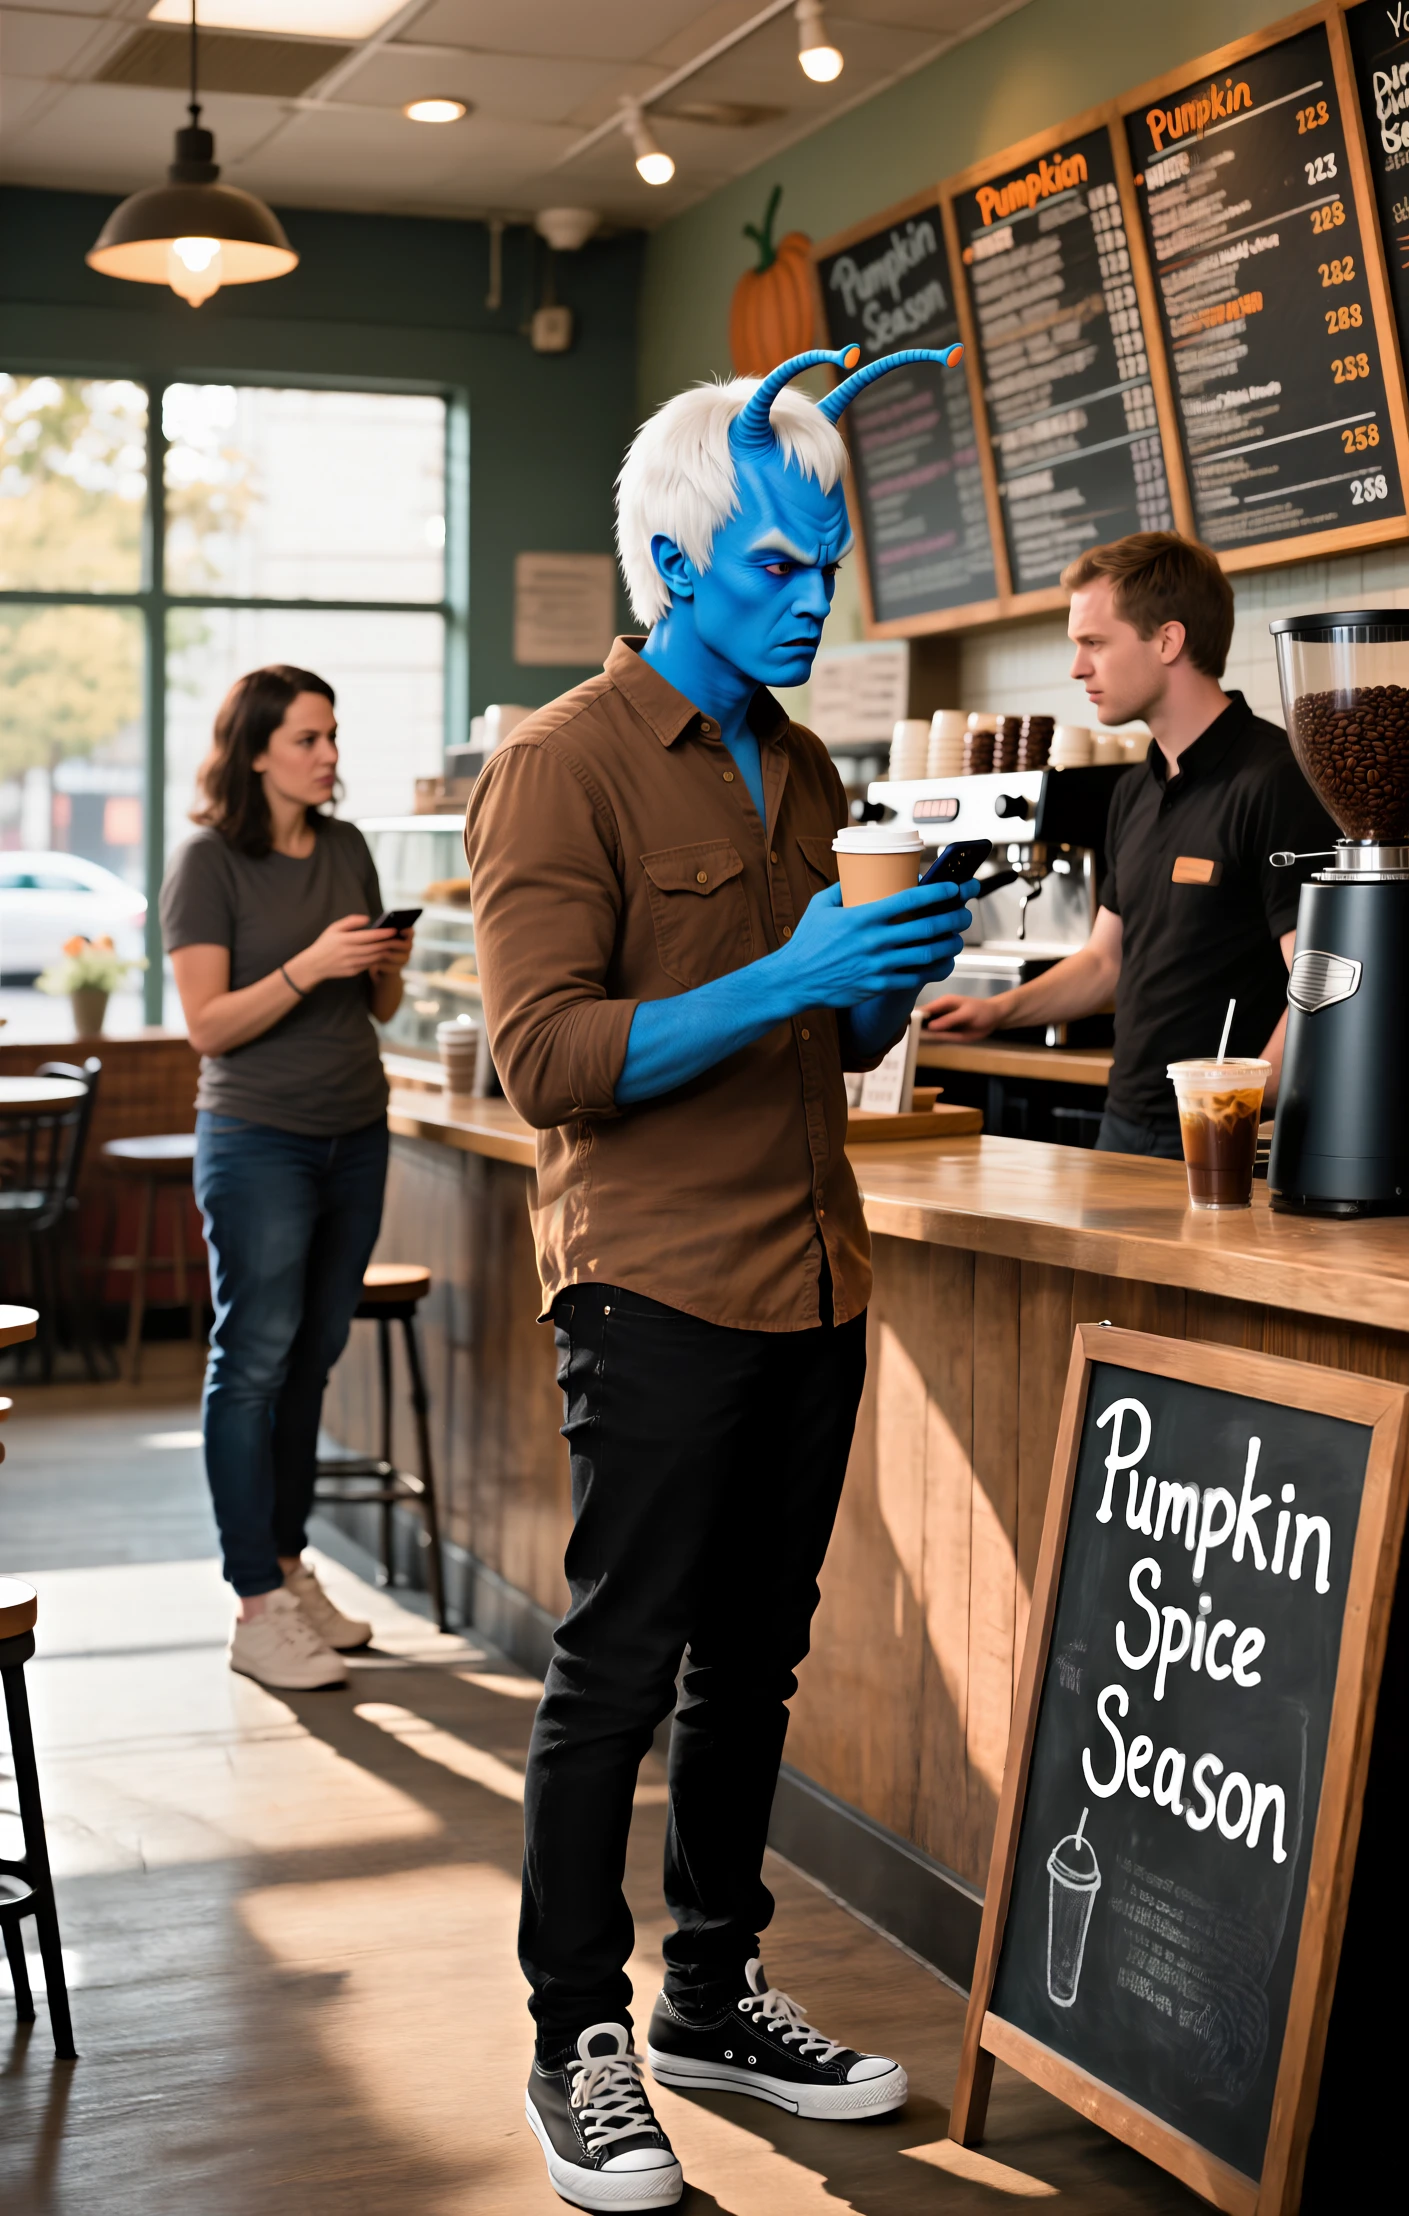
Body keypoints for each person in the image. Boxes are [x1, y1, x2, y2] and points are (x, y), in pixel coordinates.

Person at [467, 347, 977, 2213]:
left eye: (825, 561)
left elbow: (823, 1047)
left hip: (816, 1275)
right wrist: (789, 972)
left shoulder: (809, 762)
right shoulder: (560, 765)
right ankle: (573, 2038)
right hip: (656, 1286)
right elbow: (551, 1062)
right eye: (774, 563)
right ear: (670, 569)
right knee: (619, 1670)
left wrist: (883, 976)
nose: (810, 595)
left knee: (755, 1666)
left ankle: (709, 1992)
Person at [160, 666, 413, 1691]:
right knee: (253, 1358)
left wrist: (383, 957)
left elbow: (382, 1009)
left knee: (311, 1358)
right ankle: (253, 1602)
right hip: (257, 1136)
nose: (329, 755)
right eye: (309, 738)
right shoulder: (207, 861)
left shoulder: (347, 846)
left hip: (356, 1131)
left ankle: (289, 1561)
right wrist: (311, 964)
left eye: (333, 736)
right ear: (255, 750)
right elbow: (207, 1025)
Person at [923, 533, 1338, 1156]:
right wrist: (997, 1013)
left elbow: (1321, 984)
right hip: (1122, 1125)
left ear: (1168, 641)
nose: (1077, 667)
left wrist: (1231, 1103)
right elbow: (1103, 964)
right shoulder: (1134, 791)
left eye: (1094, 643)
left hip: (1226, 1137)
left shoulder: (1277, 780)